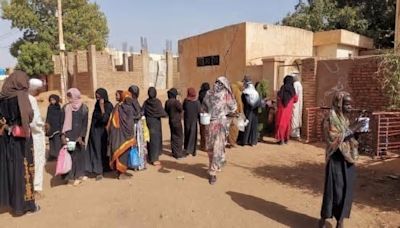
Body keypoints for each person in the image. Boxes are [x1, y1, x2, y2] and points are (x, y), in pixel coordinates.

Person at [319, 91, 364, 228]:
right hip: (336, 159)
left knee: (346, 190)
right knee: (334, 191)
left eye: (350, 104)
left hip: (348, 159)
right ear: (339, 104)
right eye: (347, 104)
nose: (350, 107)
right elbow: (332, 139)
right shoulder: (330, 119)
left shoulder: (345, 119)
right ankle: (324, 218)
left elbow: (349, 138)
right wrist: (351, 129)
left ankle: (340, 220)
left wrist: (357, 133)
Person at [0, 70, 40, 215]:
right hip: (21, 139)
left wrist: (6, 127)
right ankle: (26, 206)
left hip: (6, 139)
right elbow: (29, 116)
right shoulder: (21, 96)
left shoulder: (2, 97)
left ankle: (13, 204)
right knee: (24, 171)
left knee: (11, 169)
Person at [203, 76, 237, 185]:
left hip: (209, 124)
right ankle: (213, 172)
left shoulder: (208, 93)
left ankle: (214, 166)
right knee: (218, 147)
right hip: (220, 125)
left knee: (210, 147)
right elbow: (233, 108)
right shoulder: (226, 95)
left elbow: (203, 108)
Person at [60, 88, 89, 186]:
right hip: (69, 136)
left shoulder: (84, 108)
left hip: (79, 136)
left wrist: (81, 136)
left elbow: (85, 124)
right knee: (70, 155)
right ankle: (70, 177)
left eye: (70, 96)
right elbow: (61, 123)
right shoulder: (65, 108)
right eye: (68, 96)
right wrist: (63, 135)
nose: (68, 98)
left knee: (79, 155)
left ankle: (79, 175)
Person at [85, 88, 114, 180]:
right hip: (94, 131)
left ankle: (101, 171)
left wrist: (102, 107)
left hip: (103, 132)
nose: (97, 97)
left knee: (102, 150)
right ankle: (97, 170)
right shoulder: (96, 104)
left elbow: (105, 119)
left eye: (99, 95)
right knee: (95, 150)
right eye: (96, 95)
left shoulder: (108, 105)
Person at [108, 91, 136, 179]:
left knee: (119, 152)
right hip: (125, 136)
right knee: (123, 153)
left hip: (117, 134)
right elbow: (130, 123)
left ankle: (119, 171)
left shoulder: (118, 107)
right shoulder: (128, 108)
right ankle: (121, 173)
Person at [28, 78, 46, 197]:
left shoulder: (15, 97)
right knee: (37, 160)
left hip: (18, 136)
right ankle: (37, 188)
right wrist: (43, 125)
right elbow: (34, 122)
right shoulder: (31, 99)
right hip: (34, 136)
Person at [143, 87, 167, 166]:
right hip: (155, 123)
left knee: (150, 139)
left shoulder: (146, 102)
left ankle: (150, 156)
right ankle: (154, 159)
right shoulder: (157, 102)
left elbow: (142, 111)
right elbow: (163, 113)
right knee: (155, 141)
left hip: (149, 122)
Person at [129, 85, 147, 170]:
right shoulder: (132, 102)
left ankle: (136, 164)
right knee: (137, 144)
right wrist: (140, 114)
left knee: (136, 144)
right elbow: (135, 114)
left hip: (135, 126)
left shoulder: (133, 101)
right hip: (135, 126)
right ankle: (136, 164)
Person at [275, 75, 298, 145]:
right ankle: (286, 139)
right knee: (287, 124)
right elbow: (296, 99)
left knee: (281, 123)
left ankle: (281, 139)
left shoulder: (283, 88)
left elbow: (279, 97)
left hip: (282, 108)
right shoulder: (292, 89)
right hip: (289, 109)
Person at [237, 77, 260, 146]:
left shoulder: (245, 93)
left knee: (246, 125)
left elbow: (243, 102)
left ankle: (244, 141)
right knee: (253, 126)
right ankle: (253, 141)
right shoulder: (256, 92)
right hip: (255, 111)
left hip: (247, 110)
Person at [165, 88, 185, 159]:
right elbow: (181, 109)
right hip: (177, 122)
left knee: (173, 136)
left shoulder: (167, 102)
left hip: (171, 121)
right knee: (179, 137)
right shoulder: (176, 102)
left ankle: (174, 152)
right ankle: (178, 154)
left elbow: (166, 111)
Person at [183, 87, 201, 156]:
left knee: (187, 134)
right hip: (194, 121)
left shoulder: (186, 101)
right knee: (193, 135)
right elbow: (199, 112)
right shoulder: (197, 102)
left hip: (187, 120)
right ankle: (192, 150)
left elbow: (183, 108)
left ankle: (186, 148)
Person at [45, 94, 62, 161]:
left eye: (54, 100)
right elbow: (48, 116)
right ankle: (52, 155)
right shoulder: (49, 107)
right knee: (51, 141)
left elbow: (61, 117)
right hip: (51, 127)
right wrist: (47, 124)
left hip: (57, 127)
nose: (52, 101)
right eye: (51, 100)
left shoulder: (59, 107)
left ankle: (58, 155)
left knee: (57, 141)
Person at [228, 81, 244, 147]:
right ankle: (232, 142)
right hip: (234, 112)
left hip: (227, 111)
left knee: (227, 127)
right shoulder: (237, 91)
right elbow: (239, 103)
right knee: (234, 129)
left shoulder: (228, 90)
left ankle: (227, 141)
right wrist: (241, 112)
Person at [198, 82, 210, 151]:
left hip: (201, 114)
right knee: (207, 131)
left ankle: (202, 145)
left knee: (202, 130)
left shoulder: (200, 93)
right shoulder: (209, 94)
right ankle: (206, 146)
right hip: (207, 114)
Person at [291, 73, 303, 139]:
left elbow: (294, 94)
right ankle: (297, 134)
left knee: (294, 119)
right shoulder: (299, 84)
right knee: (297, 118)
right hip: (299, 104)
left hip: (295, 104)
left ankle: (294, 134)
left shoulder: (295, 84)